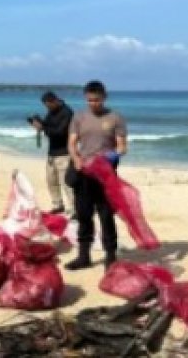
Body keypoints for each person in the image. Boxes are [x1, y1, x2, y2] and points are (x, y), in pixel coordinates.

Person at [66, 80, 128, 271]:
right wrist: (76, 158)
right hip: (84, 172)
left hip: (106, 174)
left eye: (97, 100)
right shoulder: (79, 116)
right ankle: (84, 256)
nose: (94, 104)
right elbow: (72, 142)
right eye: (90, 100)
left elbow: (122, 146)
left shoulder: (115, 117)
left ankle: (111, 256)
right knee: (84, 215)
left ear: (104, 97)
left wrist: (114, 155)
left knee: (106, 215)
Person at [28, 91, 75, 215]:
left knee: (66, 182)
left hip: (64, 153)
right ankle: (58, 204)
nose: (47, 108)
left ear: (54, 101)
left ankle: (74, 209)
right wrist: (38, 122)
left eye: (48, 105)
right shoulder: (52, 111)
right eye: (46, 106)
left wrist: (43, 128)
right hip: (52, 153)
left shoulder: (67, 112)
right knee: (51, 181)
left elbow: (60, 132)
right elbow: (49, 126)